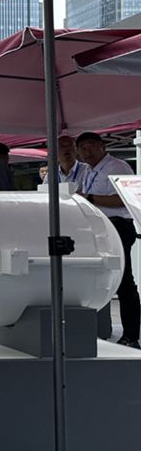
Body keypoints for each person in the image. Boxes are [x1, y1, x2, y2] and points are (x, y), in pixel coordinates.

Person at [76, 131, 140, 349]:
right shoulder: (88, 171)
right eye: (83, 148)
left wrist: (90, 198)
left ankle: (131, 336)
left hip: (118, 226)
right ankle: (99, 330)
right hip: (98, 227)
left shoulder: (117, 167)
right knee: (99, 278)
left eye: (91, 146)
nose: (87, 152)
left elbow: (123, 199)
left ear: (102, 146)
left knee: (124, 280)